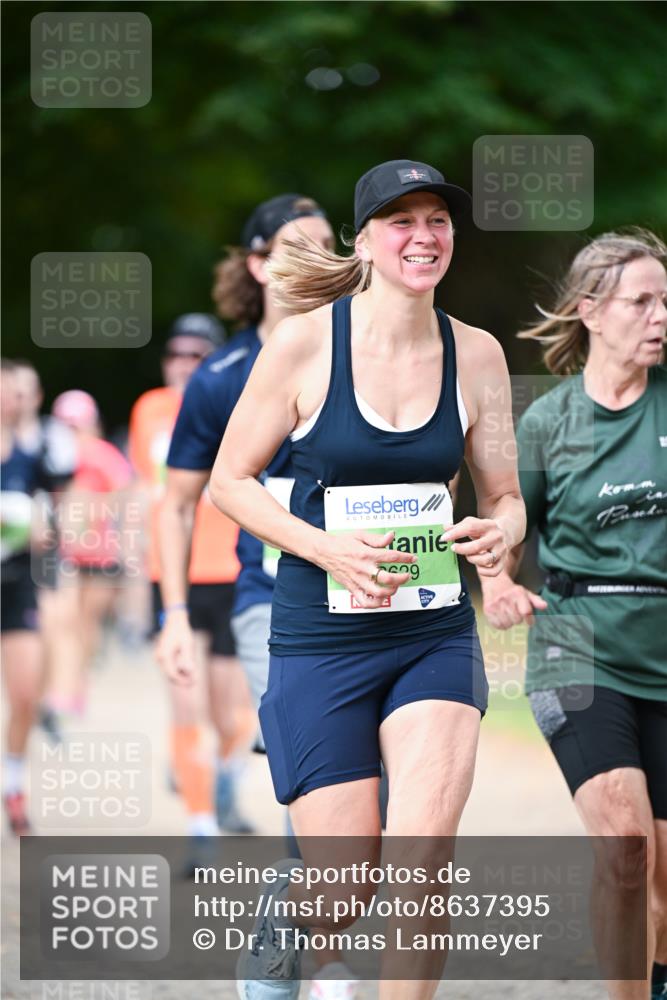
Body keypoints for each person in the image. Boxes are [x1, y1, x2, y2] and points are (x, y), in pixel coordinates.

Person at [208, 160, 525, 999]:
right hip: (321, 634)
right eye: (401, 221)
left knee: (424, 857)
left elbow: (504, 497)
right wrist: (325, 549)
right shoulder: (305, 343)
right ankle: (281, 938)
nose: (423, 237)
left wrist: (499, 539)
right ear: (365, 241)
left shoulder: (478, 354)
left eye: (438, 221)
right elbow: (228, 482)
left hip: (431, 633)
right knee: (344, 889)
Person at [156, 196, 363, 998]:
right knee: (310, 758)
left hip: (371, 600)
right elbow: (175, 504)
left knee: (359, 779)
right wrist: (174, 615)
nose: (315, 257)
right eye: (292, 246)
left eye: (325, 244)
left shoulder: (370, 352)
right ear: (255, 264)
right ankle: (312, 964)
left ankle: (302, 942)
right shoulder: (219, 379)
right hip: (267, 601)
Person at [480, 229, 667, 1000]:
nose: (660, 316)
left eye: (666, 301)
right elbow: (506, 523)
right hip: (577, 644)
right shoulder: (546, 423)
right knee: (625, 844)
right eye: (641, 301)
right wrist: (495, 580)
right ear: (589, 310)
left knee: (662, 873)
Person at [128, 313, 256, 843]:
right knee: (185, 702)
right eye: (174, 354)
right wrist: (138, 586)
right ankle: (200, 825)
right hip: (175, 576)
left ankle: (222, 778)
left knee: (232, 715)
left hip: (233, 569)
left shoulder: (241, 401)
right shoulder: (149, 410)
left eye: (195, 354)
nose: (183, 364)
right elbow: (147, 497)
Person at [47, 390, 133, 718]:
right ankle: (65, 686)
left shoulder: (102, 454)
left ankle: (77, 681)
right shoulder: (56, 454)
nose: (72, 431)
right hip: (66, 552)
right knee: (65, 620)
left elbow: (125, 492)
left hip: (100, 552)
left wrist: (95, 509)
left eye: (76, 424)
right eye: (67, 424)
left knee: (86, 623)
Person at [1, 360, 58, 833]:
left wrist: (43, 530)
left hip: (17, 584)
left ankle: (13, 786)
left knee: (25, 696)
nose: (8, 401)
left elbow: (51, 515)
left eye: (13, 394)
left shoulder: (30, 456)